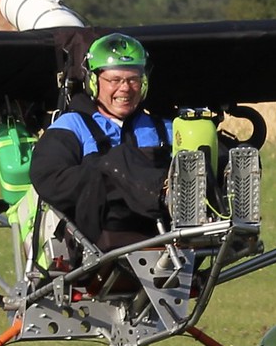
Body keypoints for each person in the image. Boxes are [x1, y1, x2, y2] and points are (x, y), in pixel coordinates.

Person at [30, 33, 172, 252]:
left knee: (204, 147)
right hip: (99, 231)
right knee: (118, 160)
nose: (125, 88)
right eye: (115, 80)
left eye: (133, 79)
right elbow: (49, 179)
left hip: (168, 227)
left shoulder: (162, 128)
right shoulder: (71, 126)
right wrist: (109, 177)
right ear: (94, 82)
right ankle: (166, 195)